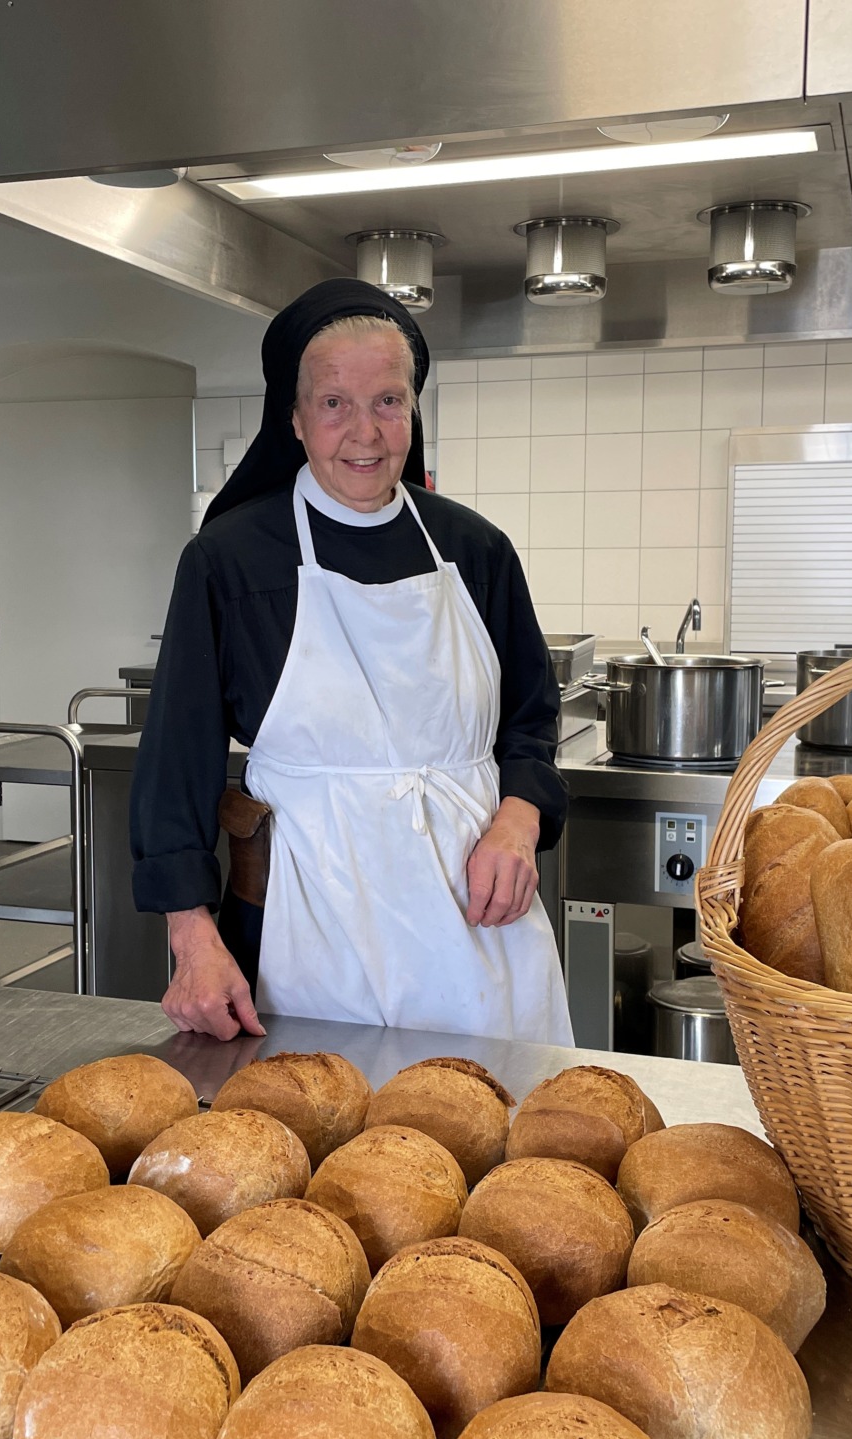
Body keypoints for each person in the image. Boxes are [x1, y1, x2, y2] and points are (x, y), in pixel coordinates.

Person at [130, 278, 574, 1046]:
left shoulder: (476, 550)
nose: (365, 433)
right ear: (295, 419)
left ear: (413, 410)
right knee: (326, 1130)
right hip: (312, 919)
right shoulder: (229, 562)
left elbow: (531, 716)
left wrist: (518, 819)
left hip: (478, 920)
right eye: (334, 403)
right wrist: (192, 938)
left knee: (505, 1135)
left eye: (389, 401)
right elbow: (177, 757)